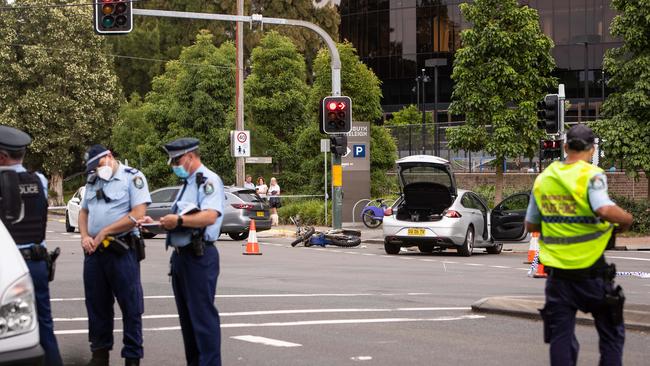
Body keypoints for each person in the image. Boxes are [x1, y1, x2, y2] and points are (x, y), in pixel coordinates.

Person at [525, 124, 633, 366]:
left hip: (557, 277)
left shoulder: (544, 179)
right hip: (591, 273)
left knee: (561, 338)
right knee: (612, 332)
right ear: (592, 150)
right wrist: (627, 219)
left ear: (565, 147)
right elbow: (603, 208)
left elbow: (530, 226)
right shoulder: (591, 175)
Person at [141, 137, 224, 366]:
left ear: (190, 156)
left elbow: (210, 215)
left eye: (177, 160)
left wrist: (177, 219)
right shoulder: (188, 183)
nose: (174, 165)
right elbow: (181, 221)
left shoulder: (208, 180)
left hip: (199, 255)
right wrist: (155, 223)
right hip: (181, 257)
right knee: (188, 322)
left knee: (202, 320)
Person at [79, 145, 151, 366]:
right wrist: (84, 236)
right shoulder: (93, 181)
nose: (98, 170)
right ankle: (99, 353)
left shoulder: (133, 177)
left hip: (122, 250)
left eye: (99, 165)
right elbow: (84, 212)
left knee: (131, 306)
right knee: (96, 305)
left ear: (109, 157)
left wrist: (104, 232)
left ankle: (132, 356)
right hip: (94, 253)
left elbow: (138, 213)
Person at [0, 125, 63, 366]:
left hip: (9, 268)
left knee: (10, 336)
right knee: (44, 325)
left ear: (2, 157)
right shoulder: (40, 180)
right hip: (37, 263)